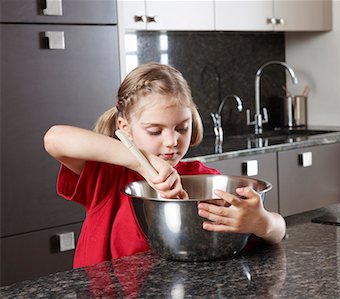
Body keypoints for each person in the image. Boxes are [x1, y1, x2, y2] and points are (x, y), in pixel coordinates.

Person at [44, 62, 286, 268]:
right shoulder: (108, 176)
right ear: (124, 128)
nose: (172, 141)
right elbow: (54, 139)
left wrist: (261, 222)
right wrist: (139, 160)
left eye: (181, 127)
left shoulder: (202, 179)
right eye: (155, 131)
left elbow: (278, 229)